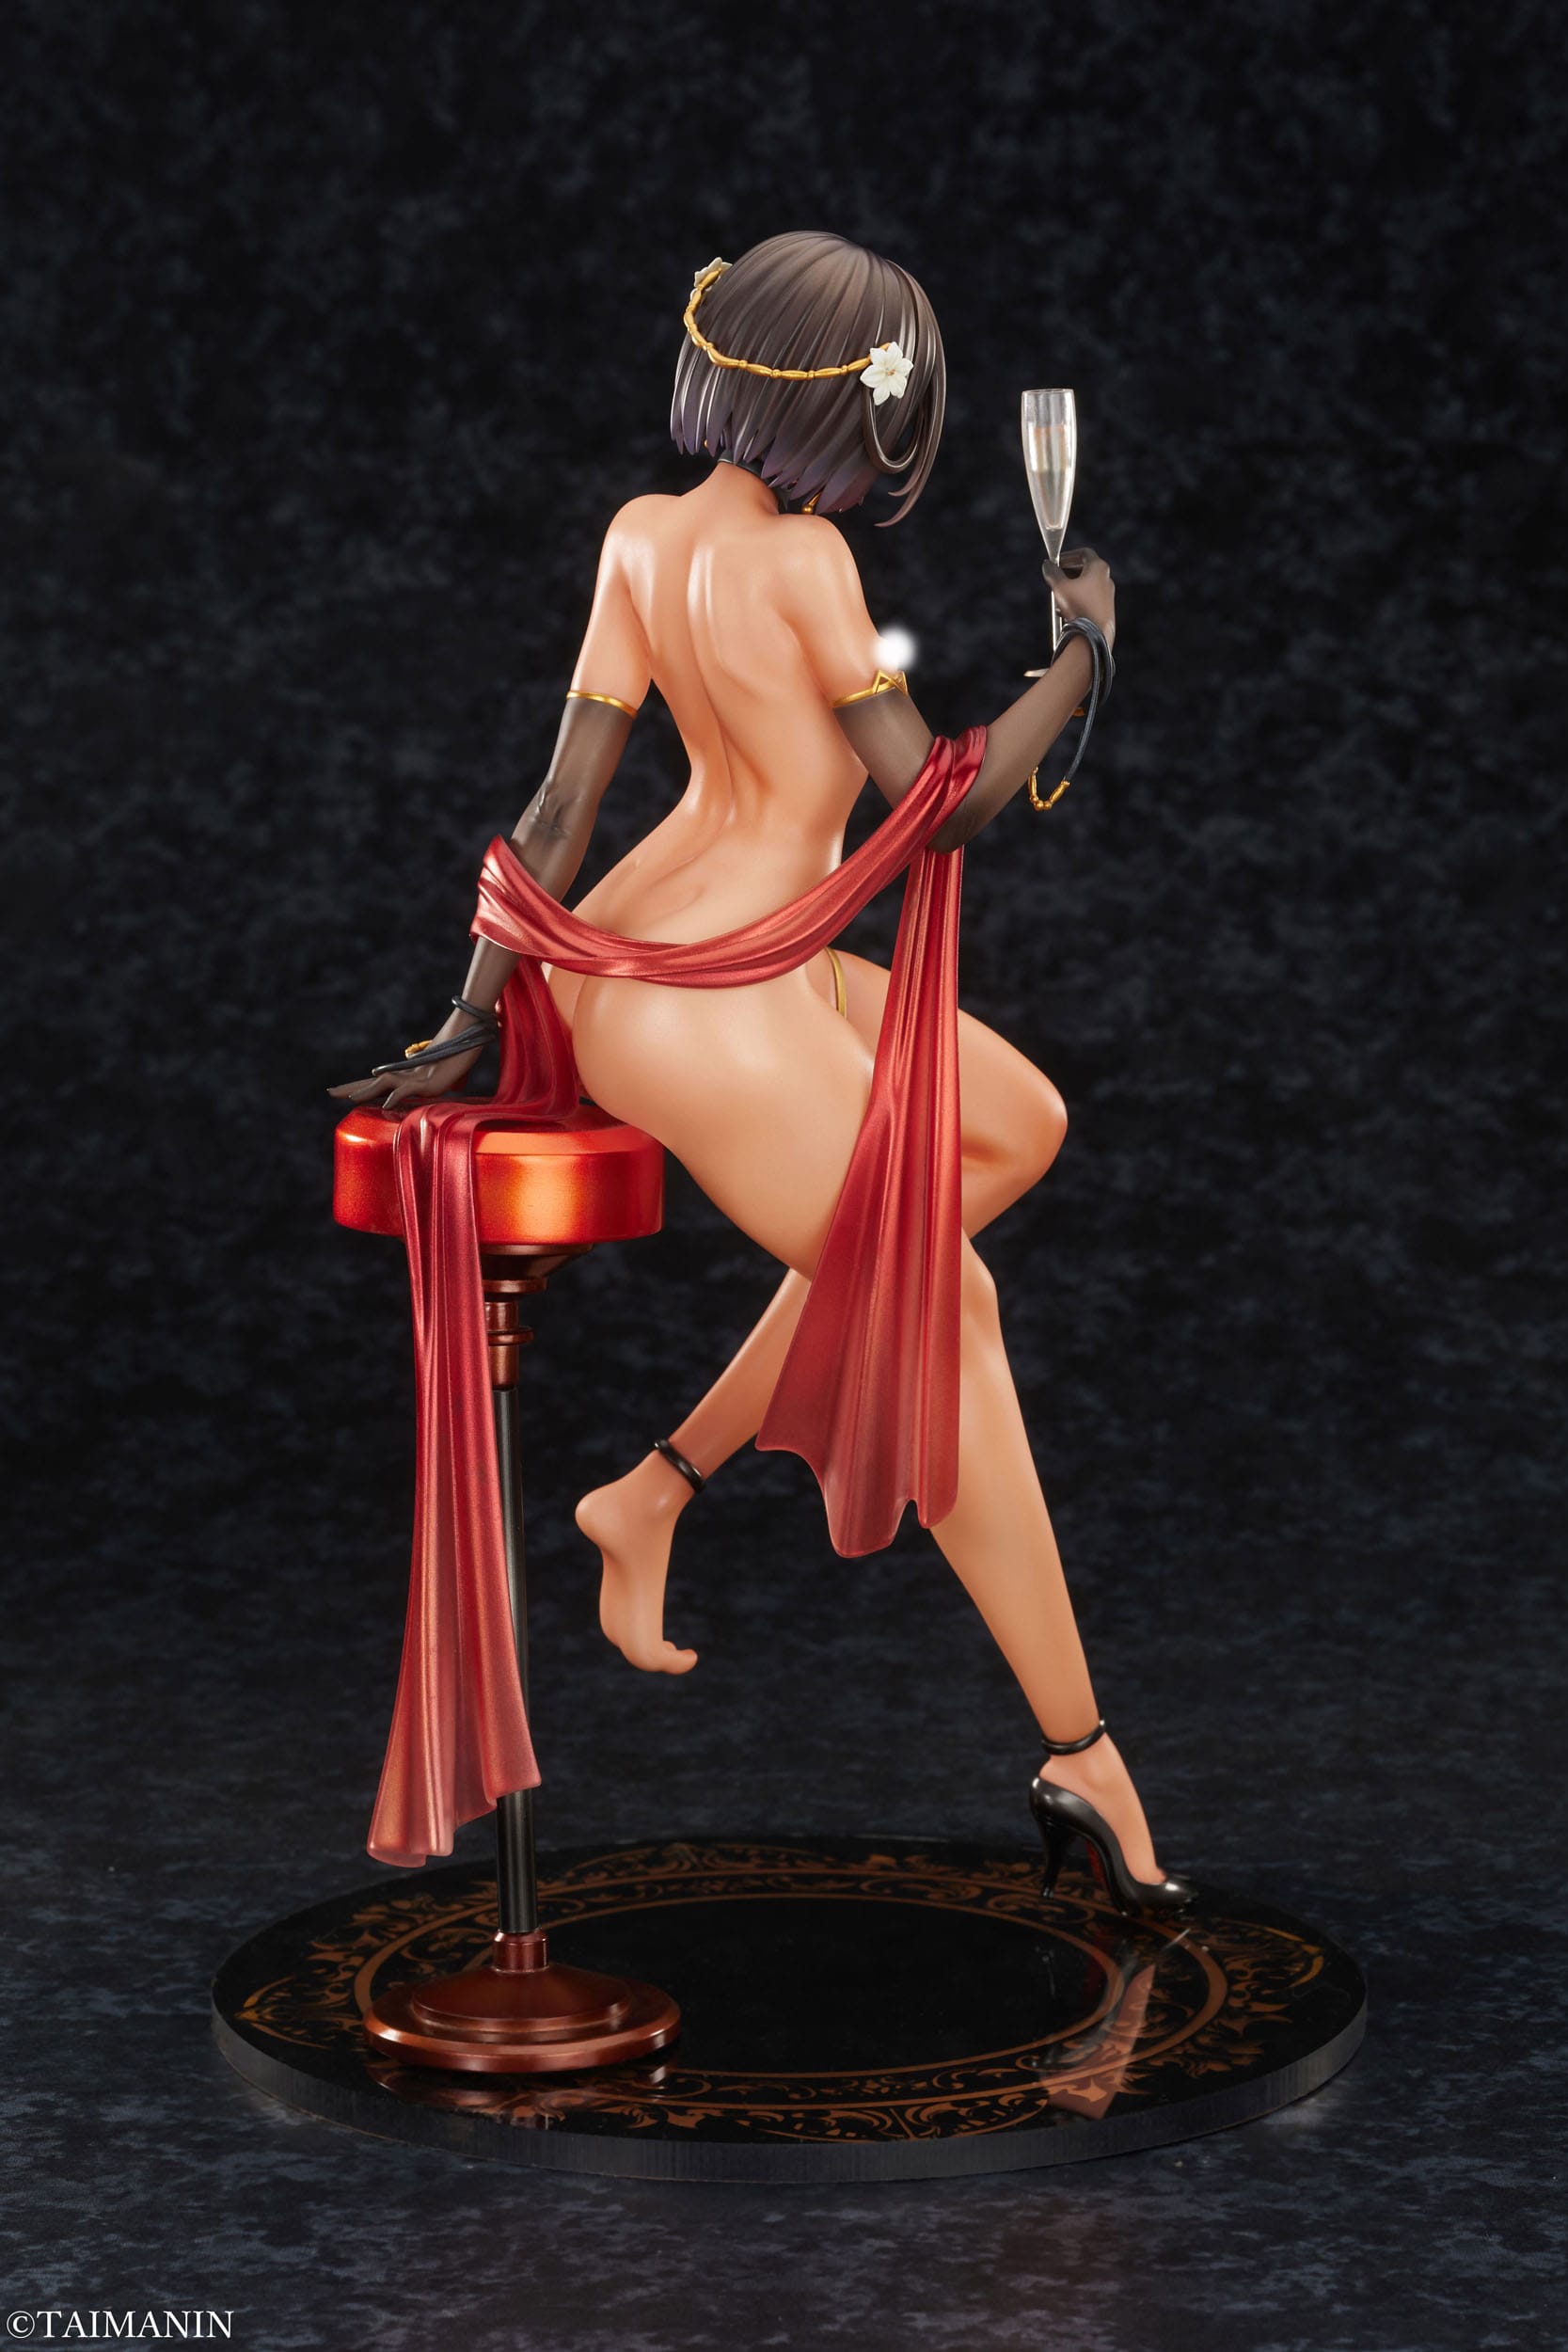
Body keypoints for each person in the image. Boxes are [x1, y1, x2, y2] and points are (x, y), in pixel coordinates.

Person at [331, 230, 1189, 1911]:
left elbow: (561, 814)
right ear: (864, 412)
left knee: (1014, 1128)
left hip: (653, 953)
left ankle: (653, 1491)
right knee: (942, 1303)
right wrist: (1085, 654)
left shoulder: (642, 534)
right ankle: (1082, 1752)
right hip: (696, 999)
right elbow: (942, 805)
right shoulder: (805, 565)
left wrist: (476, 1007)